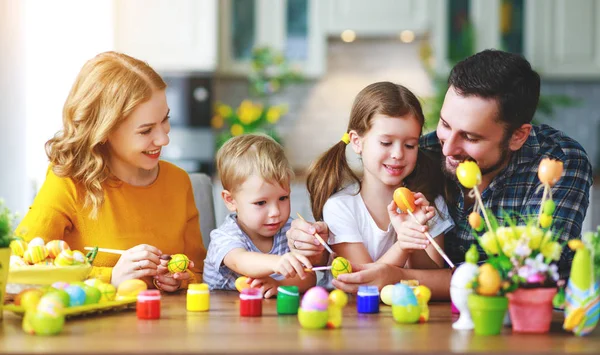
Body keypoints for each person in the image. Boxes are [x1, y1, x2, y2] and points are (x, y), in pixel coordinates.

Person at [288, 49, 593, 299]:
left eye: (471, 138)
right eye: (445, 125)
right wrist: (308, 245)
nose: (447, 149)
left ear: (517, 136)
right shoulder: (423, 152)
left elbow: (532, 275)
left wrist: (400, 275)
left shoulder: (560, 163)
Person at [15, 52, 206, 291]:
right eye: (146, 131)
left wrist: (182, 279)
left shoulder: (178, 182)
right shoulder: (68, 183)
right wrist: (110, 278)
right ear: (104, 131)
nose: (163, 138)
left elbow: (198, 270)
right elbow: (20, 265)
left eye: (165, 120)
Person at [306, 82, 454, 269]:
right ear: (357, 142)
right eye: (386, 142)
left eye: (410, 145)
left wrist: (415, 235)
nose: (398, 154)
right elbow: (361, 281)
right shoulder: (340, 207)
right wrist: (403, 245)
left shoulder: (428, 204)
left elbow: (429, 279)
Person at [203, 134, 316, 298]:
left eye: (283, 198)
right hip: (226, 317)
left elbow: (308, 278)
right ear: (230, 200)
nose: (275, 212)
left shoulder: (289, 232)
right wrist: (277, 262)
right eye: (261, 203)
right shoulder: (225, 236)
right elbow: (240, 261)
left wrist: (279, 285)